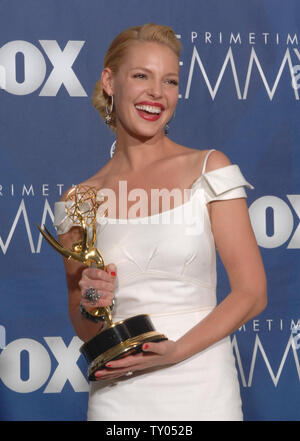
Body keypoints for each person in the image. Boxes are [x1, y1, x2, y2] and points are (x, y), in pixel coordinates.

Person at [53, 23, 267, 421]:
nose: (157, 92)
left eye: (170, 81)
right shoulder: (78, 201)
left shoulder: (209, 168)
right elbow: (86, 329)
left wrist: (175, 352)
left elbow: (252, 293)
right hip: (119, 395)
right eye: (141, 76)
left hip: (201, 386)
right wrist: (92, 303)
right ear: (109, 81)